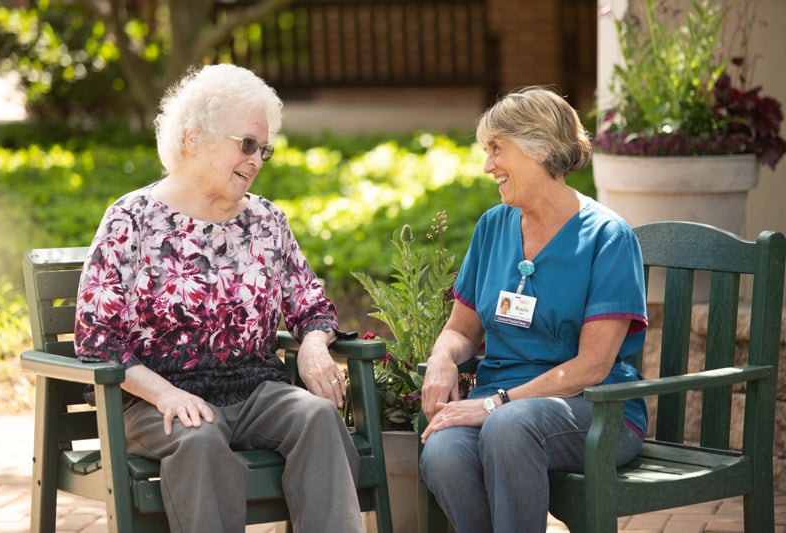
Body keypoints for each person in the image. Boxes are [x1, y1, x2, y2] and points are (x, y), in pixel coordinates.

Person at [74, 64, 364, 533]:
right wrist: (166, 393)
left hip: (254, 391)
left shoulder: (267, 222)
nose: (256, 160)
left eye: (263, 149)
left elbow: (310, 304)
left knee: (316, 416)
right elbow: (96, 340)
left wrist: (313, 342)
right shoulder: (132, 220)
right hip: (155, 401)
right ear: (194, 139)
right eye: (246, 144)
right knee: (199, 437)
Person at [419, 86, 648, 532]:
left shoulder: (606, 237)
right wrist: (441, 359)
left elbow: (592, 366)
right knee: (444, 452)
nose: (488, 166)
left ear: (541, 149)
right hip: (504, 406)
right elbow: (461, 329)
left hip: (593, 410)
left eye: (497, 150)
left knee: (509, 427)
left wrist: (494, 405)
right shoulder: (493, 226)